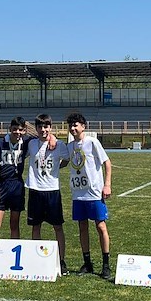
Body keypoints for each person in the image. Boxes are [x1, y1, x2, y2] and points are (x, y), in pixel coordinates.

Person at [66, 112, 112, 279]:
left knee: (101, 227)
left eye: (75, 125)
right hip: (78, 194)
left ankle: (106, 264)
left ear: (83, 126)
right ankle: (87, 262)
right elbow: (64, 161)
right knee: (82, 227)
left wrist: (106, 185)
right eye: (70, 125)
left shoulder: (92, 142)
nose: (72, 128)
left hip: (94, 193)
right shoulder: (69, 146)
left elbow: (107, 163)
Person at [25, 113, 70, 275]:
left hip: (52, 191)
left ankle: (61, 261)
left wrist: (59, 168)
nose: (43, 130)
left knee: (58, 227)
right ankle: (36, 260)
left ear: (50, 128)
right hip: (35, 190)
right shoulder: (31, 144)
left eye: (46, 127)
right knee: (35, 226)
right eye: (40, 127)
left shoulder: (59, 145)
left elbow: (67, 159)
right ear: (36, 128)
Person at [0, 117, 29, 239]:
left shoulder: (25, 143)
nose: (17, 132)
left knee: (14, 224)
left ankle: (13, 257)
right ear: (10, 129)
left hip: (17, 186)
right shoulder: (0, 143)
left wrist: (52, 138)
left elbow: (42, 136)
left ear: (24, 131)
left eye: (20, 130)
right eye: (15, 129)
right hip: (1, 186)